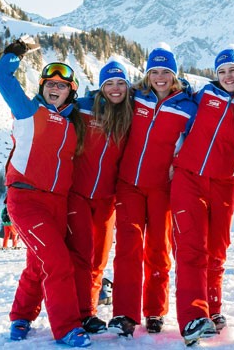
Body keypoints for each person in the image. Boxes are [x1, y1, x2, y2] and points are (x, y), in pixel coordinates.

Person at [0, 38, 92, 347]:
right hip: (26, 199)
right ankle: (66, 329)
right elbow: (2, 77)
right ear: (42, 86)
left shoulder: (73, 123)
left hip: (58, 203)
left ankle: (21, 316)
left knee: (38, 263)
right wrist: (16, 52)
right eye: (50, 83)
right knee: (57, 262)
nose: (55, 88)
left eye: (62, 85)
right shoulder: (28, 110)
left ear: (70, 92)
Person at [172, 45, 234, 346]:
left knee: (217, 249)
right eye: (221, 71)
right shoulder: (204, 95)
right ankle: (193, 316)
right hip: (188, 178)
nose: (226, 76)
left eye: (232, 70)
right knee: (191, 247)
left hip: (226, 184)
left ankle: (212, 308)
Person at [109, 44, 197, 337]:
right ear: (147, 75)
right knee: (128, 248)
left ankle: (155, 310)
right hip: (128, 185)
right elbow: (107, 98)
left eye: (165, 71)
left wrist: (178, 166)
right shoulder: (135, 98)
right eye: (154, 71)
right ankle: (124, 313)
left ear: (174, 75)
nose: (160, 77)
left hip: (163, 187)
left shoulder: (188, 107)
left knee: (158, 250)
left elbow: (197, 142)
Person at [67, 59, 134, 334]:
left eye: (120, 83)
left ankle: (90, 307)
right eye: (109, 83)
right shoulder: (82, 108)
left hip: (107, 199)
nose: (115, 88)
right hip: (78, 194)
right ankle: (83, 313)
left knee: (100, 258)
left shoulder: (130, 113)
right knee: (82, 254)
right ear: (101, 86)